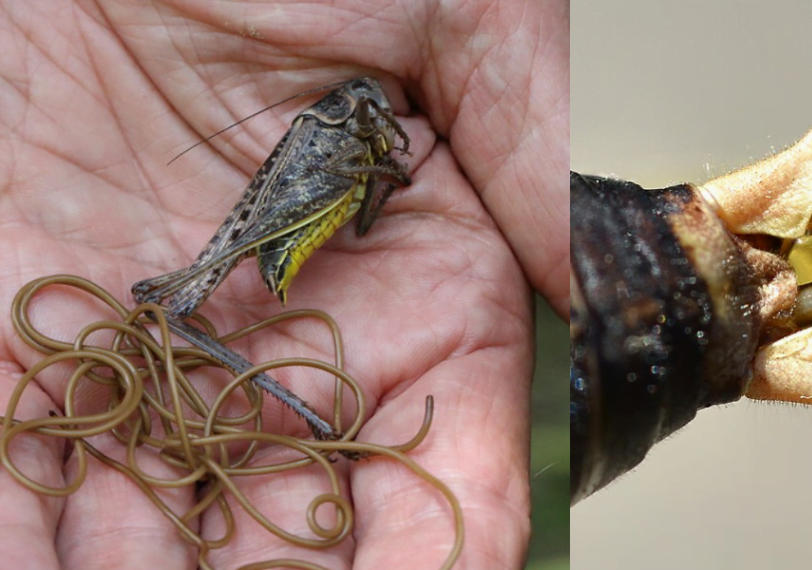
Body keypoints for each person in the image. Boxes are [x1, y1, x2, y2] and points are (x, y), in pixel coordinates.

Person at [0, 1, 568, 568]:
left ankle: (260, 381)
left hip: (316, 203)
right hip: (278, 224)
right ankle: (290, 400)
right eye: (363, 109)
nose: (373, 113)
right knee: (177, 302)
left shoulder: (360, 121)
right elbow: (362, 179)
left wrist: (382, 166)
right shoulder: (326, 133)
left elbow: (372, 204)